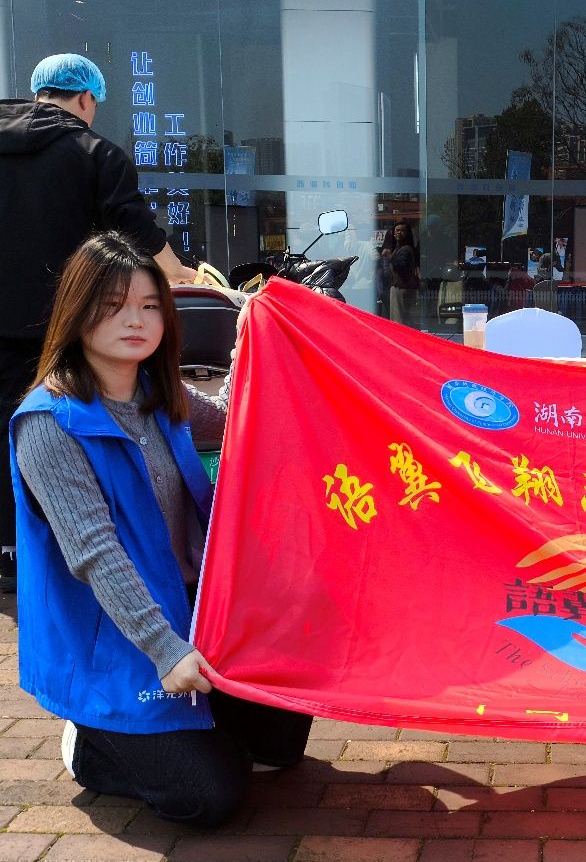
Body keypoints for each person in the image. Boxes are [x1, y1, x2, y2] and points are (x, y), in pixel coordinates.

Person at [10, 233, 311, 826]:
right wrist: (167, 651)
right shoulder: (49, 424)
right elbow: (96, 555)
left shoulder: (158, 392)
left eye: (150, 305)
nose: (136, 320)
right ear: (76, 312)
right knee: (209, 796)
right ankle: (92, 744)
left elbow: (238, 418)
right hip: (119, 638)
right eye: (114, 305)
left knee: (280, 745)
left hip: (189, 611)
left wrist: (255, 338)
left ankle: (190, 730)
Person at [0, 54, 198, 594]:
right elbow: (134, 228)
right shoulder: (95, 153)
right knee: (70, 434)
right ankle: (71, 550)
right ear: (87, 98)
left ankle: (10, 554)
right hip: (64, 328)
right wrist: (179, 273)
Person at [385, 221, 420, 325]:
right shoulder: (399, 248)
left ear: (407, 233)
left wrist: (389, 257)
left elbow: (401, 267)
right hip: (400, 288)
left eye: (402, 230)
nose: (399, 233)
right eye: (397, 230)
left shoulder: (405, 249)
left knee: (399, 320)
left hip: (402, 289)